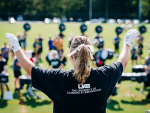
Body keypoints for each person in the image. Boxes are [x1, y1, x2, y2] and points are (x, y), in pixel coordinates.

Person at [5, 29, 137, 113]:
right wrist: (127, 43)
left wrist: (16, 47)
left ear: (71, 55)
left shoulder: (58, 78)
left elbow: (30, 69)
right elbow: (122, 63)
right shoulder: (103, 76)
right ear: (91, 55)